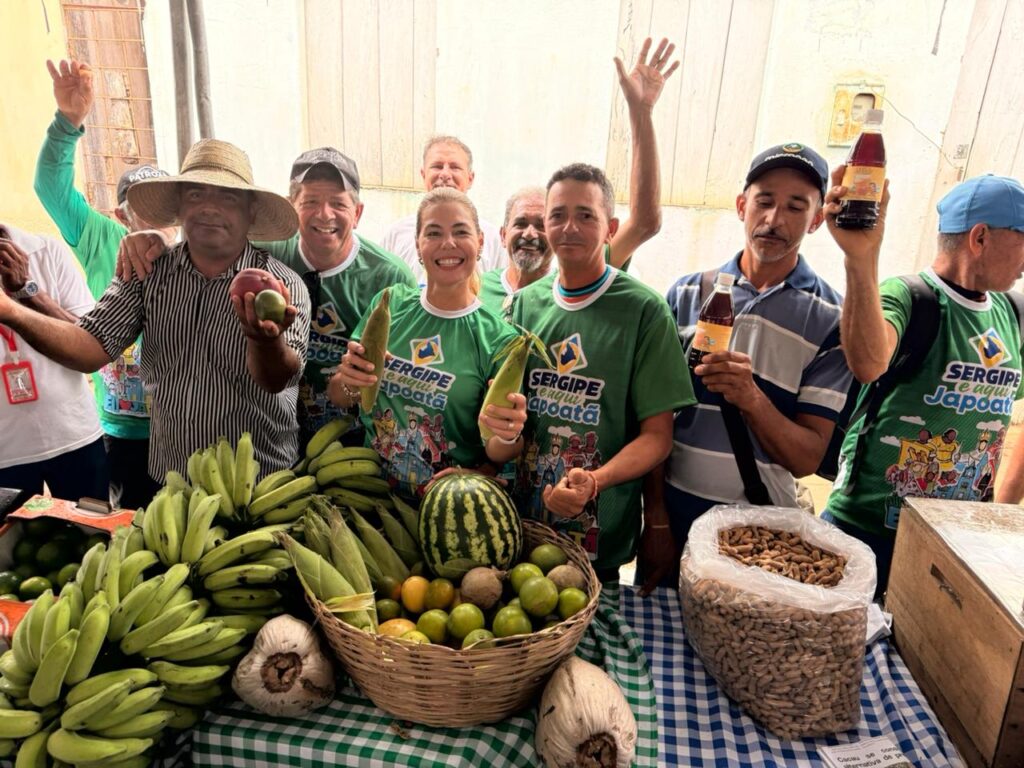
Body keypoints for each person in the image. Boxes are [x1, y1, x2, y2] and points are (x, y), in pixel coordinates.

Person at [0, 139, 311, 492]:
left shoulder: (283, 285)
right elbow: (89, 347)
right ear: (179, 206)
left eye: (228, 197)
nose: (209, 207)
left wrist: (264, 341)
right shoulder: (147, 272)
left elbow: (278, 379)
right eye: (195, 194)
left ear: (251, 212)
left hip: (260, 484)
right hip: (172, 481)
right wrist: (12, 311)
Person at [642, 143, 854, 591]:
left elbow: (806, 458)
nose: (774, 219)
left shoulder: (832, 319)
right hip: (674, 516)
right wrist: (655, 520)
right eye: (764, 201)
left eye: (795, 206)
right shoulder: (686, 294)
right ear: (742, 206)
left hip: (759, 537)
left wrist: (752, 398)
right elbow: (651, 422)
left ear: (817, 220)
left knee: (741, 636)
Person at [116, 147, 418, 446]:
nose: (324, 214)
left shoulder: (389, 278)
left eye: (338, 203)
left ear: (358, 213)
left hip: (354, 439)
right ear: (292, 206)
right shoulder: (265, 260)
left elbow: (389, 375)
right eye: (310, 201)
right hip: (271, 435)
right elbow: (210, 242)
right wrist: (152, 240)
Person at [823, 172, 1024, 596]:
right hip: (865, 532)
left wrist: (999, 516)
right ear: (980, 237)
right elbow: (868, 364)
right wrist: (861, 259)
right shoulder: (908, 297)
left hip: (955, 545)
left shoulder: (1014, 314)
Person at [509, 162, 695, 583]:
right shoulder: (524, 305)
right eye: (558, 215)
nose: (569, 227)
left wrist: (594, 481)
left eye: (585, 215)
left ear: (610, 228)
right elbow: (509, 414)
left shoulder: (644, 310)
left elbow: (657, 437)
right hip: (524, 526)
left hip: (599, 535)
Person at [35, 58, 175, 508]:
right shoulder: (100, 239)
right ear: (121, 214)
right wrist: (68, 121)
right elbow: (52, 190)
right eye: (141, 205)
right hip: (120, 428)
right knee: (127, 521)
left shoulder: (194, 252)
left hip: (179, 428)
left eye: (163, 202)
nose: (153, 214)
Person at [333, 188, 526, 498]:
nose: (448, 243)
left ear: (480, 242)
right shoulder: (389, 306)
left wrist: (507, 435)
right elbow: (341, 397)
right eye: (434, 233)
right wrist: (349, 381)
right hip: (370, 495)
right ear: (418, 245)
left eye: (460, 232)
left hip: (447, 502)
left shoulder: (501, 340)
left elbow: (499, 452)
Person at [480, 38, 678, 315]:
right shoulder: (477, 287)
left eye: (542, 223)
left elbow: (645, 221)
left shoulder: (576, 275)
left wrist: (641, 112)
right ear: (503, 235)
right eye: (520, 223)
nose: (530, 233)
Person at [0, 223, 108, 501]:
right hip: (5, 453)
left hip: (74, 435)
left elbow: (92, 342)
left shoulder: (46, 250)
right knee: (12, 531)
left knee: (89, 525)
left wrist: (27, 291)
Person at [381, 136, 505, 283]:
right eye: (437, 166)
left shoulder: (493, 239)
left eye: (455, 167)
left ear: (470, 178)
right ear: (423, 175)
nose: (445, 174)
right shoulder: (396, 235)